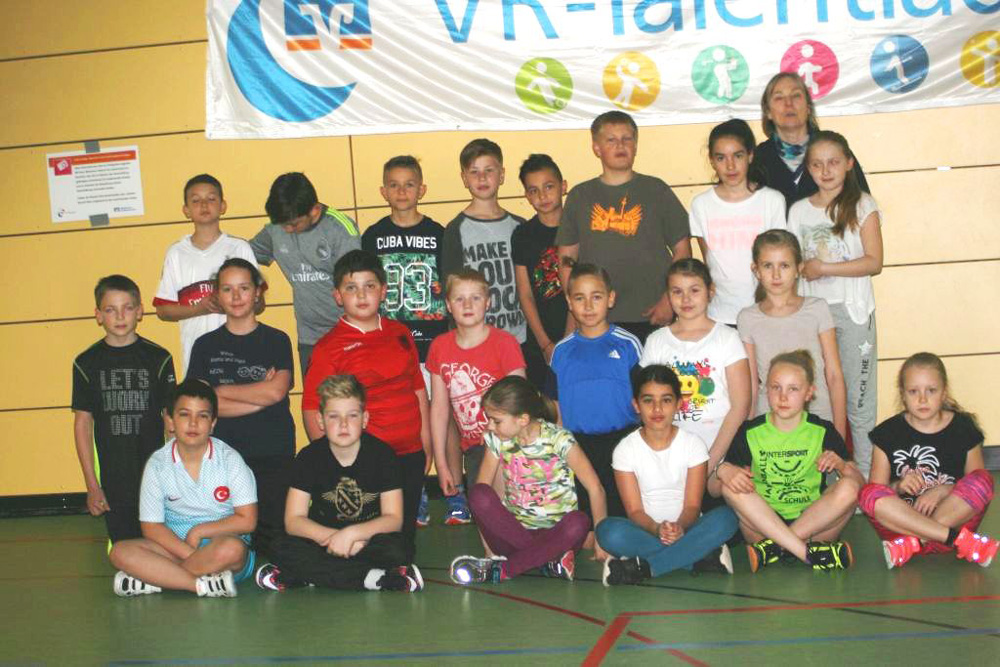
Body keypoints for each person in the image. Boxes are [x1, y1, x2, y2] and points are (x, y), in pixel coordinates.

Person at [301, 250, 429, 557]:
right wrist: (332, 462)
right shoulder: (329, 347)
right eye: (351, 288)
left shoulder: (400, 333)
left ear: (383, 291)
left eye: (369, 286)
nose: (361, 295)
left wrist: (427, 445)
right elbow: (311, 408)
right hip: (365, 463)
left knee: (402, 544)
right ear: (337, 296)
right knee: (368, 545)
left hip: (410, 455)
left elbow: (418, 390)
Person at [255, 376, 424, 592]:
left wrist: (352, 535)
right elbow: (294, 521)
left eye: (352, 415)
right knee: (280, 546)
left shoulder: (383, 456)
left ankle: (309, 576)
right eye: (334, 416)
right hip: (322, 540)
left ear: (364, 419)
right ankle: (375, 579)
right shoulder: (308, 457)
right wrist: (334, 539)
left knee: (399, 549)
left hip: (366, 541)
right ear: (320, 421)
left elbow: (393, 519)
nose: (343, 424)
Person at [449, 376, 608, 584]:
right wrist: (489, 550)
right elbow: (483, 498)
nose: (490, 426)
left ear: (522, 419)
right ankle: (546, 562)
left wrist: (601, 541)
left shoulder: (559, 439)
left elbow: (596, 488)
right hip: (513, 534)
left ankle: (503, 570)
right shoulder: (496, 439)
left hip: (557, 536)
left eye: (496, 421)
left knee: (579, 522)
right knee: (478, 493)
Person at [788, 131, 883, 477]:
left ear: (849, 164)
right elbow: (793, 261)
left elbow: (874, 262)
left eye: (833, 162)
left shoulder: (863, 205)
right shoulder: (798, 211)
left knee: (859, 401)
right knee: (820, 398)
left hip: (853, 312)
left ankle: (867, 478)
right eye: (817, 164)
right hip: (812, 313)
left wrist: (824, 268)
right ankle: (826, 478)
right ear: (808, 169)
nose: (825, 171)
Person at [186, 258, 294, 560]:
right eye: (227, 289)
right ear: (217, 295)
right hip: (224, 457)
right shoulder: (204, 345)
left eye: (244, 288)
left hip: (273, 454)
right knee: (230, 545)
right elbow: (202, 408)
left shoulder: (277, 340)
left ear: (257, 292)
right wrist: (258, 394)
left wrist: (220, 392)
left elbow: (276, 392)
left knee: (276, 545)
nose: (236, 296)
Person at [108, 379, 257, 597]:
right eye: (185, 414)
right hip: (175, 547)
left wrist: (199, 531)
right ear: (170, 420)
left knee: (231, 549)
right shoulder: (157, 464)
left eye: (202, 416)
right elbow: (151, 527)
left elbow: (247, 520)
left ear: (213, 423)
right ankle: (199, 585)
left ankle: (158, 579)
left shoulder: (231, 460)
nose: (193, 423)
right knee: (120, 552)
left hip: (221, 547)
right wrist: (188, 553)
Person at [717, 351, 863, 572]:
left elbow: (861, 485)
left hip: (815, 527)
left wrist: (842, 465)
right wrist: (722, 470)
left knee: (850, 487)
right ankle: (806, 553)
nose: (783, 397)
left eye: (793, 389)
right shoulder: (750, 431)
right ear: (766, 390)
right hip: (762, 528)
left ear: (809, 393)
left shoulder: (823, 430)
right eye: (776, 387)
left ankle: (776, 548)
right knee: (729, 487)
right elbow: (716, 489)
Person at [361, 155, 446, 528]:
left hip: (432, 342)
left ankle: (447, 485)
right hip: (391, 347)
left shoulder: (439, 233)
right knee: (405, 421)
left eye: (409, 184)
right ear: (383, 191)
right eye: (393, 185)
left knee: (439, 420)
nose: (401, 191)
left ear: (421, 189)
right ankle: (414, 490)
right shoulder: (373, 236)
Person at [596, 365, 739, 585]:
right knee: (607, 531)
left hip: (689, 529)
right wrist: (657, 529)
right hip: (645, 532)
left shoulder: (693, 445)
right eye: (648, 401)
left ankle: (644, 568)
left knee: (727, 518)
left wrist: (680, 528)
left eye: (666, 400)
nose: (657, 409)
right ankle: (698, 558)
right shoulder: (625, 449)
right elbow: (634, 511)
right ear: (636, 405)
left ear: (678, 404)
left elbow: (692, 506)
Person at [556, 110, 691, 343]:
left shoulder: (656, 190)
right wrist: (577, 307)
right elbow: (566, 260)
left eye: (627, 139)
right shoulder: (580, 196)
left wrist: (670, 299)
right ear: (596, 148)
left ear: (635, 145)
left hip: (654, 315)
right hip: (598, 319)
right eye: (611, 140)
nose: (620, 145)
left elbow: (682, 250)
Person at [860, 353, 997, 568]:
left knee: (984, 479)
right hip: (903, 528)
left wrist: (944, 490)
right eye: (913, 391)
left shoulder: (963, 428)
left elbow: (976, 485)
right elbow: (877, 491)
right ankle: (955, 539)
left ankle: (915, 543)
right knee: (867, 493)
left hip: (942, 527)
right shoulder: (887, 433)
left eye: (931, 390)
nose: (922, 399)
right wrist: (898, 486)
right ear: (903, 394)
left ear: (944, 392)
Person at [72, 275, 176, 544]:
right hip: (114, 477)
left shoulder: (159, 358)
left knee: (160, 543)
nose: (120, 316)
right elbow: (83, 424)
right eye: (110, 309)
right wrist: (92, 485)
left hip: (154, 473)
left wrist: (176, 475)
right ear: (98, 315)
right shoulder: (86, 363)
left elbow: (172, 421)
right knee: (124, 547)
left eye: (127, 308)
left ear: (139, 311)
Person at [640, 259, 752, 499]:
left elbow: (740, 406)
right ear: (668, 295)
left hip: (721, 448)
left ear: (710, 292)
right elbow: (648, 403)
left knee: (731, 491)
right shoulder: (656, 341)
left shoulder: (727, 338)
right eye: (677, 292)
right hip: (671, 450)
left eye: (694, 290)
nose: (686, 299)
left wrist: (711, 463)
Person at [427, 269, 526, 517]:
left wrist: (496, 430)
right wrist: (441, 463)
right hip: (474, 449)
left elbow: (520, 398)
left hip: (507, 443)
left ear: (488, 302)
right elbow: (439, 409)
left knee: (507, 512)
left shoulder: (504, 343)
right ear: (448, 305)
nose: (468, 305)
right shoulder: (440, 347)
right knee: (485, 514)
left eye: (475, 298)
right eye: (459, 299)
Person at [549, 263, 641, 519]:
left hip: (622, 440)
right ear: (569, 302)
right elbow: (554, 404)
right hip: (578, 444)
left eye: (596, 297)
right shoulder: (562, 351)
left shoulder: (628, 344)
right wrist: (561, 445)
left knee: (623, 513)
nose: (588, 306)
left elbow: (644, 396)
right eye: (580, 298)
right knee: (585, 517)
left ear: (610, 299)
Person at [737, 229, 847, 439]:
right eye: (768, 266)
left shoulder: (817, 309)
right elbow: (750, 384)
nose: (776, 274)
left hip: (818, 418)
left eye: (784, 265)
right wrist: (747, 434)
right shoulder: (747, 318)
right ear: (756, 270)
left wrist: (839, 436)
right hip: (769, 422)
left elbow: (834, 376)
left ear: (799, 269)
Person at [250, 172, 361, 374]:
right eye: (283, 224)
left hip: (349, 335)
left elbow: (356, 285)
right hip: (310, 339)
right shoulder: (276, 229)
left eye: (294, 224)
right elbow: (243, 255)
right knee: (313, 394)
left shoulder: (340, 229)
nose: (287, 229)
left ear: (315, 210)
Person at [154, 174, 261, 373]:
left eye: (211, 198)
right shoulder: (177, 253)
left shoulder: (239, 248)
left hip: (240, 352)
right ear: (186, 210)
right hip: (195, 355)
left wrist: (231, 304)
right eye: (196, 200)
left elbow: (259, 303)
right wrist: (200, 309)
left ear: (223, 206)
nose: (204, 205)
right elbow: (163, 311)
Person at [689, 119, 786, 326]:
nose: (730, 166)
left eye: (738, 155)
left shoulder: (772, 200)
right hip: (720, 315)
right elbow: (708, 259)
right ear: (712, 161)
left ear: (750, 155)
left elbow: (781, 258)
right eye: (721, 157)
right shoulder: (701, 204)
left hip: (767, 311)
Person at [441, 138, 527, 343]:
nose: (482, 178)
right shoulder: (456, 229)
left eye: (489, 170)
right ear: (464, 178)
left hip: (519, 338)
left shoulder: (520, 227)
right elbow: (450, 288)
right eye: (474, 172)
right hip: (475, 340)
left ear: (502, 175)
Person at [755, 72, 870, 210]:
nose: (789, 104)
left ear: (808, 107)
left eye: (796, 95)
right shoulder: (757, 159)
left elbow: (864, 208)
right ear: (768, 112)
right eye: (779, 98)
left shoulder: (834, 149)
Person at [512, 153, 570, 388]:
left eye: (549, 187)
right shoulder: (523, 235)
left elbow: (581, 289)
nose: (542, 196)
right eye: (534, 190)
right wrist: (545, 344)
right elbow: (525, 293)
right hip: (540, 341)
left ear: (563, 186)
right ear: (527, 196)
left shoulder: (578, 228)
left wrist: (568, 341)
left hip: (579, 334)